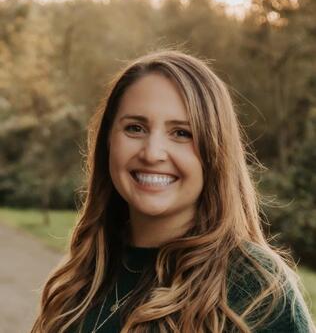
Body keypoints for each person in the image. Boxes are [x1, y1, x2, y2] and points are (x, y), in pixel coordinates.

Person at [31, 51, 315, 333]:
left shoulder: (256, 289)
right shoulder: (80, 278)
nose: (153, 153)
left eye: (182, 133)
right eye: (135, 128)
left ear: (216, 153)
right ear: (107, 142)